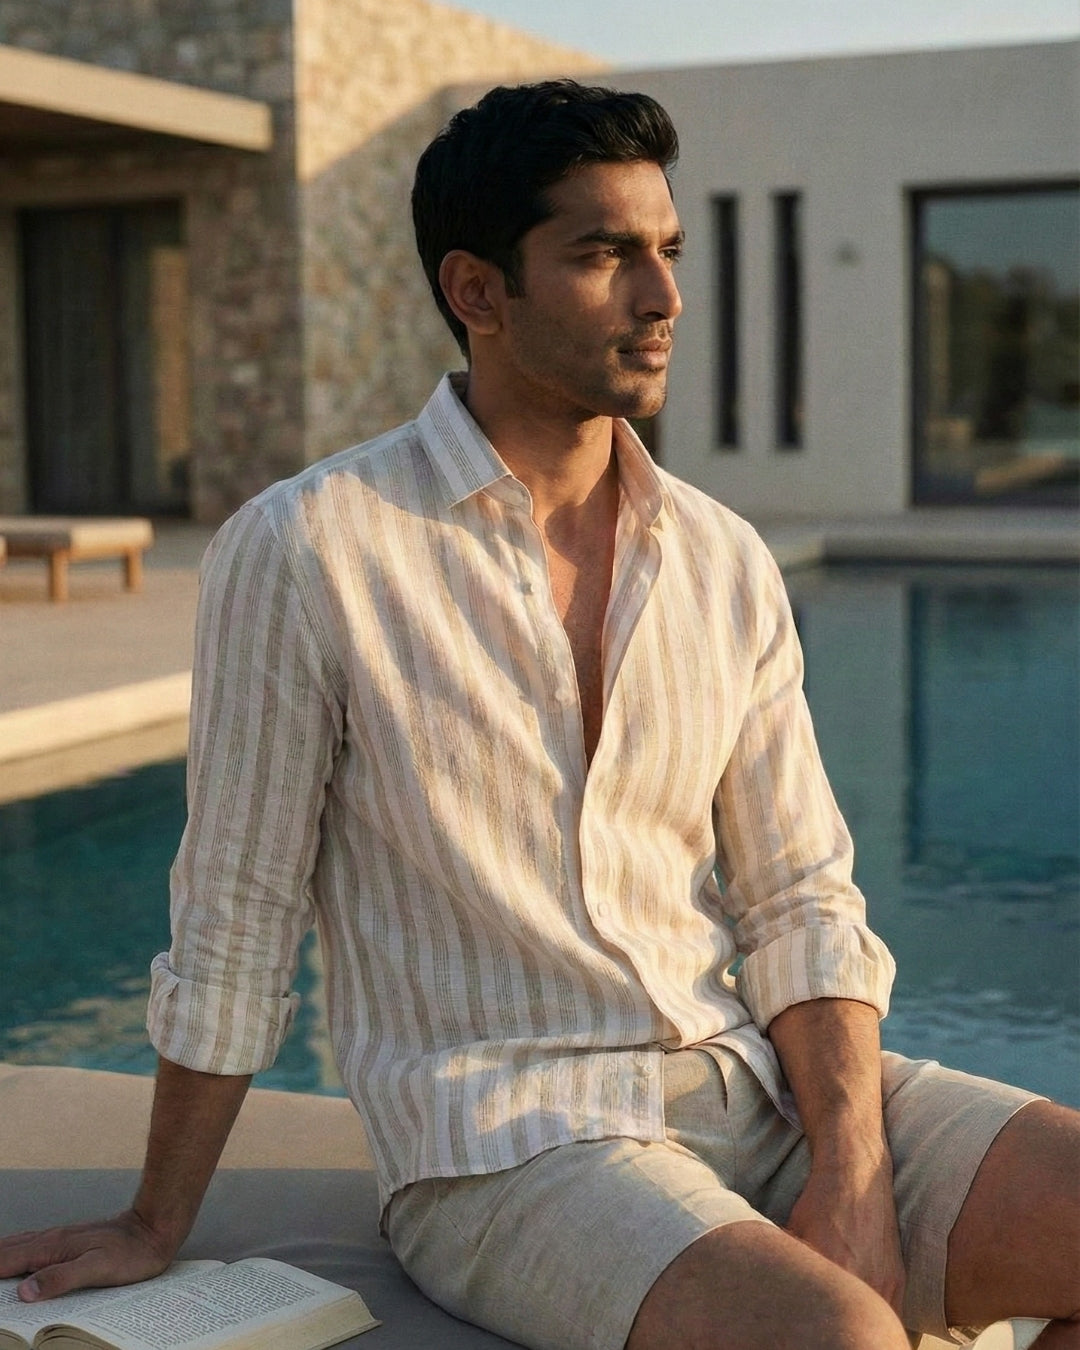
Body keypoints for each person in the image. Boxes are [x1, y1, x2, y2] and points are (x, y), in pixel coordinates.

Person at [1, 80, 1076, 1350]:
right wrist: (154, 1218)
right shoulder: (311, 549)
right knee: (836, 1334)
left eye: (668, 250)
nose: (663, 296)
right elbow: (238, 916)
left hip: (750, 1087)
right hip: (505, 1144)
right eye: (605, 254)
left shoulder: (722, 559)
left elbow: (799, 897)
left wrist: (853, 1173)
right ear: (478, 290)